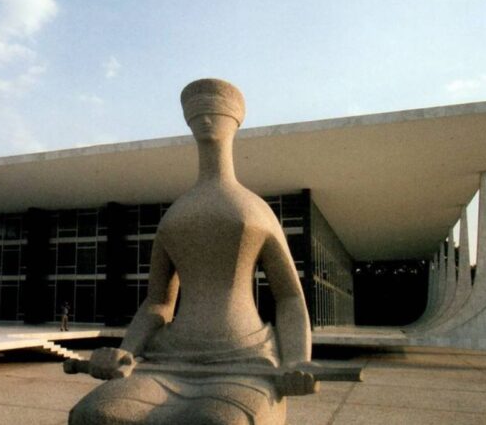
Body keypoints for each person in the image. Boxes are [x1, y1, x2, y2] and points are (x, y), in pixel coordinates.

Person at [69, 79, 311, 425]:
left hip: (245, 360)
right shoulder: (175, 216)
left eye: (214, 112)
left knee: (216, 421)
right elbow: (158, 302)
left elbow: (289, 296)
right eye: (197, 115)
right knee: (96, 414)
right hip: (169, 359)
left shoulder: (255, 210)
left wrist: (297, 361)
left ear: (235, 121)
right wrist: (126, 350)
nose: (206, 120)